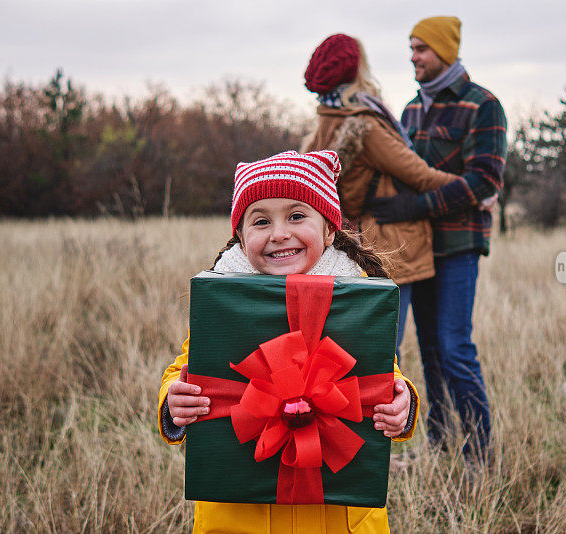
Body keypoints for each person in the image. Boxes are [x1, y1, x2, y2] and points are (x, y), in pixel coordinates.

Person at [157, 150, 419, 534]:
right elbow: (190, 369)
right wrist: (173, 402)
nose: (279, 233)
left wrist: (404, 403)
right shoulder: (225, 301)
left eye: (297, 216)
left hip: (335, 517)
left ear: (330, 229)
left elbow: (381, 376)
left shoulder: (357, 300)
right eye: (261, 221)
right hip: (240, 515)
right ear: (242, 238)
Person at [370, 16, 508, 462]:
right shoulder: (410, 110)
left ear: (444, 51)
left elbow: (484, 180)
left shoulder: (482, 105)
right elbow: (404, 173)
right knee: (428, 350)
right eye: (411, 48)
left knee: (454, 348)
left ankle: (478, 455)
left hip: (458, 248)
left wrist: (416, 207)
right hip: (418, 249)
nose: (413, 57)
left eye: (421, 49)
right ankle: (440, 442)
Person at [300, 33, 465, 355]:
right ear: (358, 70)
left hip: (348, 248)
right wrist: (474, 189)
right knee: (386, 351)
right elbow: (421, 175)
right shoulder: (366, 125)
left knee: (352, 348)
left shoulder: (323, 123)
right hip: (389, 249)